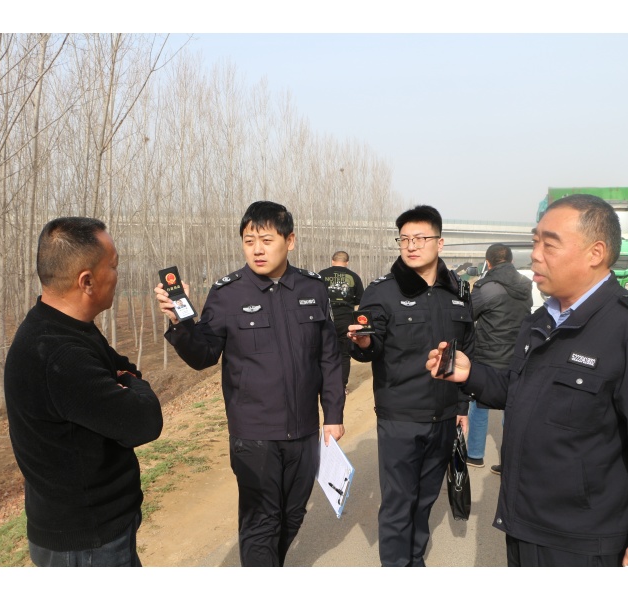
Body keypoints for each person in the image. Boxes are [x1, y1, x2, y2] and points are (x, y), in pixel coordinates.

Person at [426, 194, 628, 567]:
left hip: (584, 544)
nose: (535, 255)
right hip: (525, 525)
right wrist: (471, 374)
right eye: (535, 242)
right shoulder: (540, 322)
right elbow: (522, 393)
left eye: (550, 244)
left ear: (595, 253)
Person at [155, 200, 345, 567]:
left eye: (266, 240)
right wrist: (180, 323)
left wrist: (333, 415)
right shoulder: (227, 293)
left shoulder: (313, 288)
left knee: (293, 515)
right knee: (261, 522)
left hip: (304, 430)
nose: (257, 249)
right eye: (249, 241)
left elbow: (329, 357)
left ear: (290, 241)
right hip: (254, 434)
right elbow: (203, 355)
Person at [4, 217, 164, 567]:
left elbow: (125, 369)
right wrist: (131, 384)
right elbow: (144, 421)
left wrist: (126, 380)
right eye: (114, 265)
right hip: (85, 544)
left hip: (91, 532)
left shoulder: (64, 327)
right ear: (87, 281)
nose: (118, 274)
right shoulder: (60, 356)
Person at [348, 205, 474, 567]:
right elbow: (370, 345)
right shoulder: (382, 292)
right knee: (398, 503)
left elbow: (468, 352)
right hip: (400, 418)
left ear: (440, 242)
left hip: (444, 417)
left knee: (425, 501)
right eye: (404, 239)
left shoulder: (458, 292)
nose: (411, 245)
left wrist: (462, 408)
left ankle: (414, 561)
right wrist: (363, 342)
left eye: (420, 238)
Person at [466, 244, 532, 473]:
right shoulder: (526, 284)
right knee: (511, 407)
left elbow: (469, 314)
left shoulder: (486, 286)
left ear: (488, 262)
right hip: (519, 354)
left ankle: (475, 455)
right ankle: (509, 461)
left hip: (488, 355)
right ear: (512, 261)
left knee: (478, 404)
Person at [319, 250, 365, 393]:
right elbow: (360, 300)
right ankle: (341, 387)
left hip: (325, 317)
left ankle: (323, 385)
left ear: (332, 261)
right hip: (346, 319)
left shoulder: (322, 275)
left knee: (323, 352)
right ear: (347, 262)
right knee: (344, 354)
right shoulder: (354, 277)